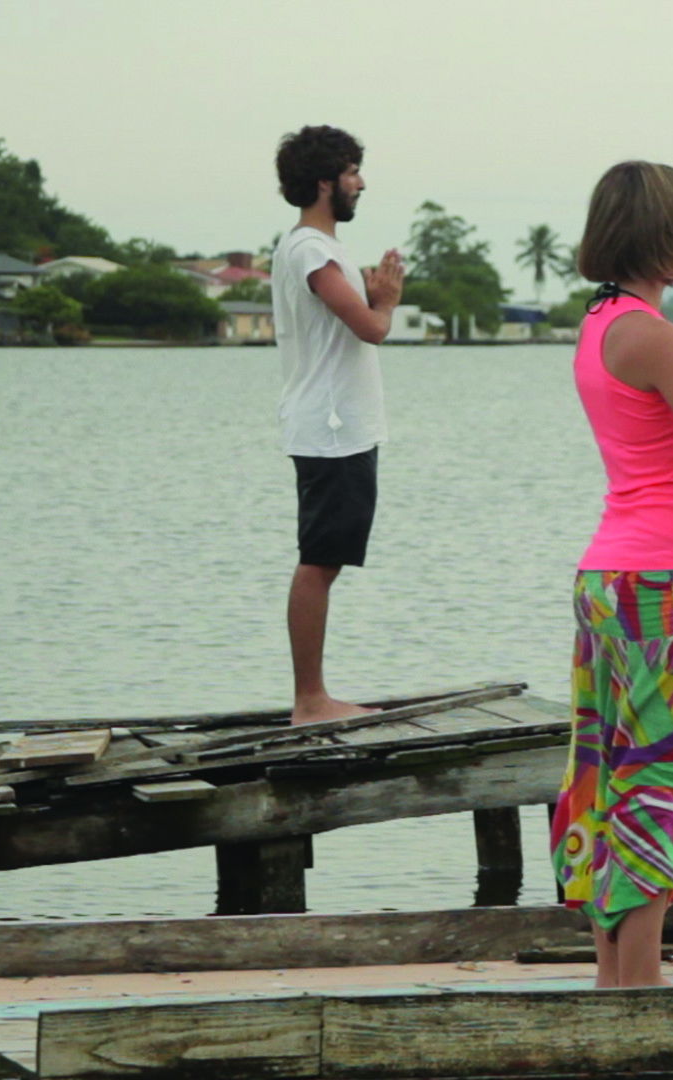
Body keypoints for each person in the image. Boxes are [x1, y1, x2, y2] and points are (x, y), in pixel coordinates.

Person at [549, 161, 673, 988]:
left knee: (608, 771)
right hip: (663, 584)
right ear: (660, 232)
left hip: (608, 577)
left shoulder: (600, 323)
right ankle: (637, 982)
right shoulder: (657, 337)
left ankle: (613, 973)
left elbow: (659, 449)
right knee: (663, 775)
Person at [270, 125, 404, 725]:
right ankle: (310, 700)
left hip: (337, 425)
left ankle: (314, 695)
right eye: (352, 172)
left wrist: (373, 293)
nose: (361, 182)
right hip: (329, 427)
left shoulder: (315, 248)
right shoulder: (312, 252)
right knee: (319, 560)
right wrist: (386, 300)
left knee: (326, 558)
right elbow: (370, 329)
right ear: (325, 181)